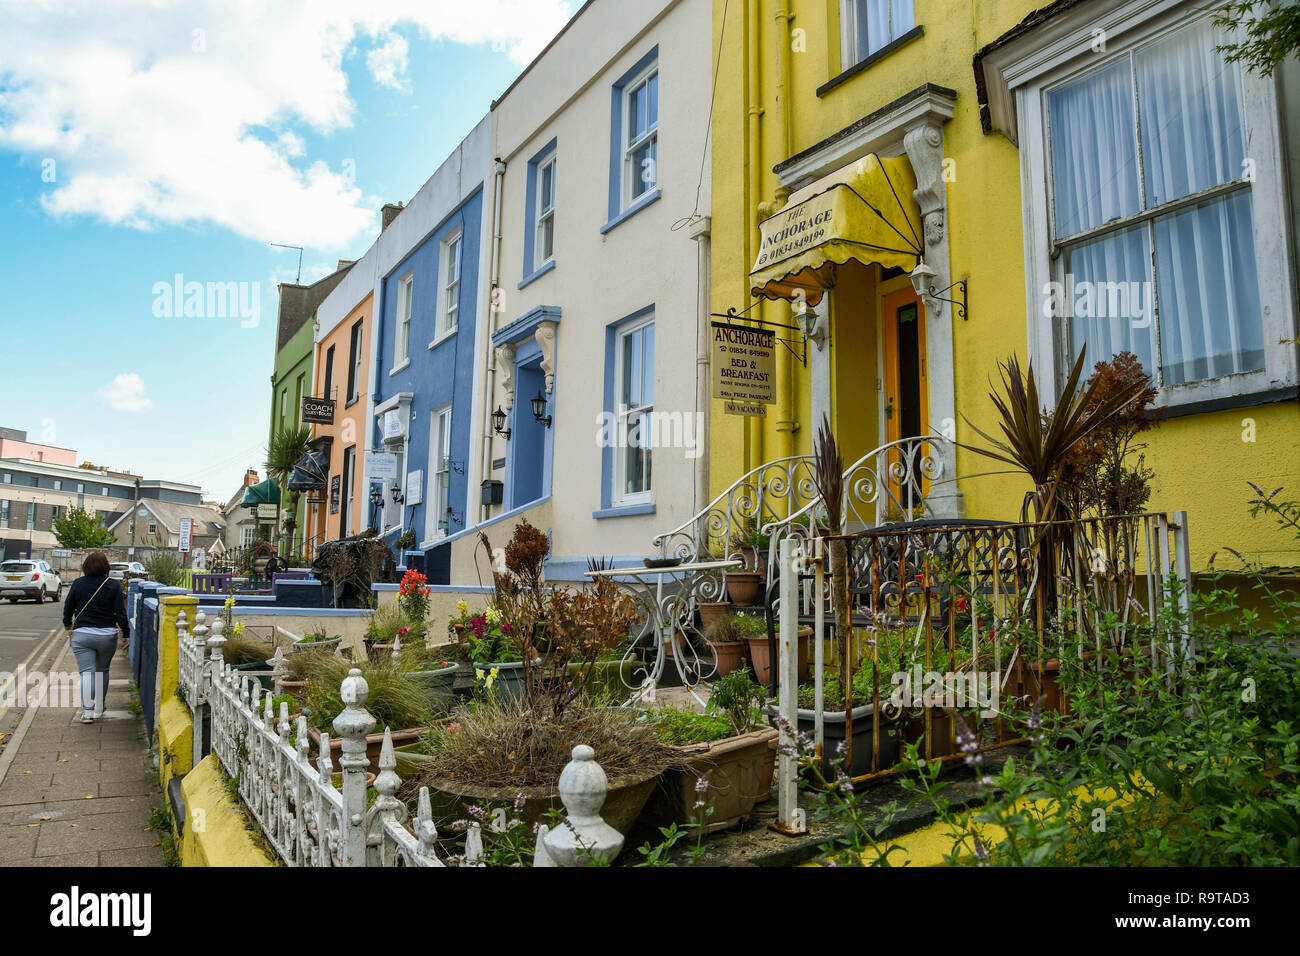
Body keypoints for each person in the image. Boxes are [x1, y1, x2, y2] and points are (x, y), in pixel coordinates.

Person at [62, 551, 130, 723]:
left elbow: (68, 607)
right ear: (106, 567)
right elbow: (121, 613)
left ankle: (87, 712)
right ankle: (99, 706)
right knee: (102, 671)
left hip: (82, 634)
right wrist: (126, 633)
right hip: (107, 635)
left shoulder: (77, 584)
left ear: (85, 566)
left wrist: (67, 624)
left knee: (87, 674)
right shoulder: (113, 585)